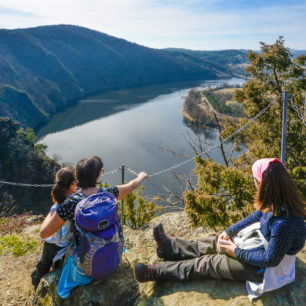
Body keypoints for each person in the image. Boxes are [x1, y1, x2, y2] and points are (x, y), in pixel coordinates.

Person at [135, 158, 305, 300]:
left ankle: (157, 272)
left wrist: (235, 251)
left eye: (255, 179)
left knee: (209, 263)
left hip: (265, 271)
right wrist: (228, 232)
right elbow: (257, 216)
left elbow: (270, 260)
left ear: (263, 185)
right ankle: (169, 248)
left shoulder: (285, 223)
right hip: (261, 246)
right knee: (216, 242)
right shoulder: (279, 200)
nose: (253, 182)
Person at [39, 156, 148, 298]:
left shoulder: (70, 204)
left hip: (86, 267)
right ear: (98, 176)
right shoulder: (109, 194)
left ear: (77, 178)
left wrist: (54, 210)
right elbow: (132, 185)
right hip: (113, 259)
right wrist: (141, 177)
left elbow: (44, 233)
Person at [31, 166, 77, 289]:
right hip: (59, 244)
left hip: (53, 243)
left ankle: (37, 279)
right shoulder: (72, 203)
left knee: (44, 263)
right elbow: (55, 235)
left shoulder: (58, 203)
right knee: (47, 264)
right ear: (73, 184)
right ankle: (37, 281)